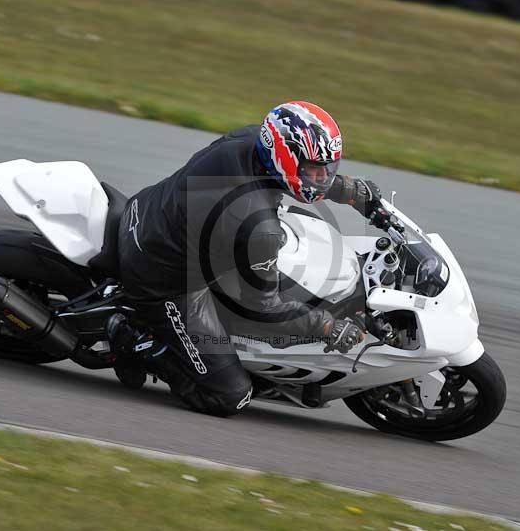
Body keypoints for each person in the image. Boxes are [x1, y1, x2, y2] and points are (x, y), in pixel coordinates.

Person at [108, 101, 390, 417]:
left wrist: (346, 190)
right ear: (284, 158)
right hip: (162, 282)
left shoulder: (252, 141)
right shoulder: (257, 226)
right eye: (315, 169)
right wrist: (327, 327)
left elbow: (292, 177)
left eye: (328, 168)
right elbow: (264, 306)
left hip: (149, 210)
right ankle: (134, 340)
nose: (322, 177)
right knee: (231, 395)